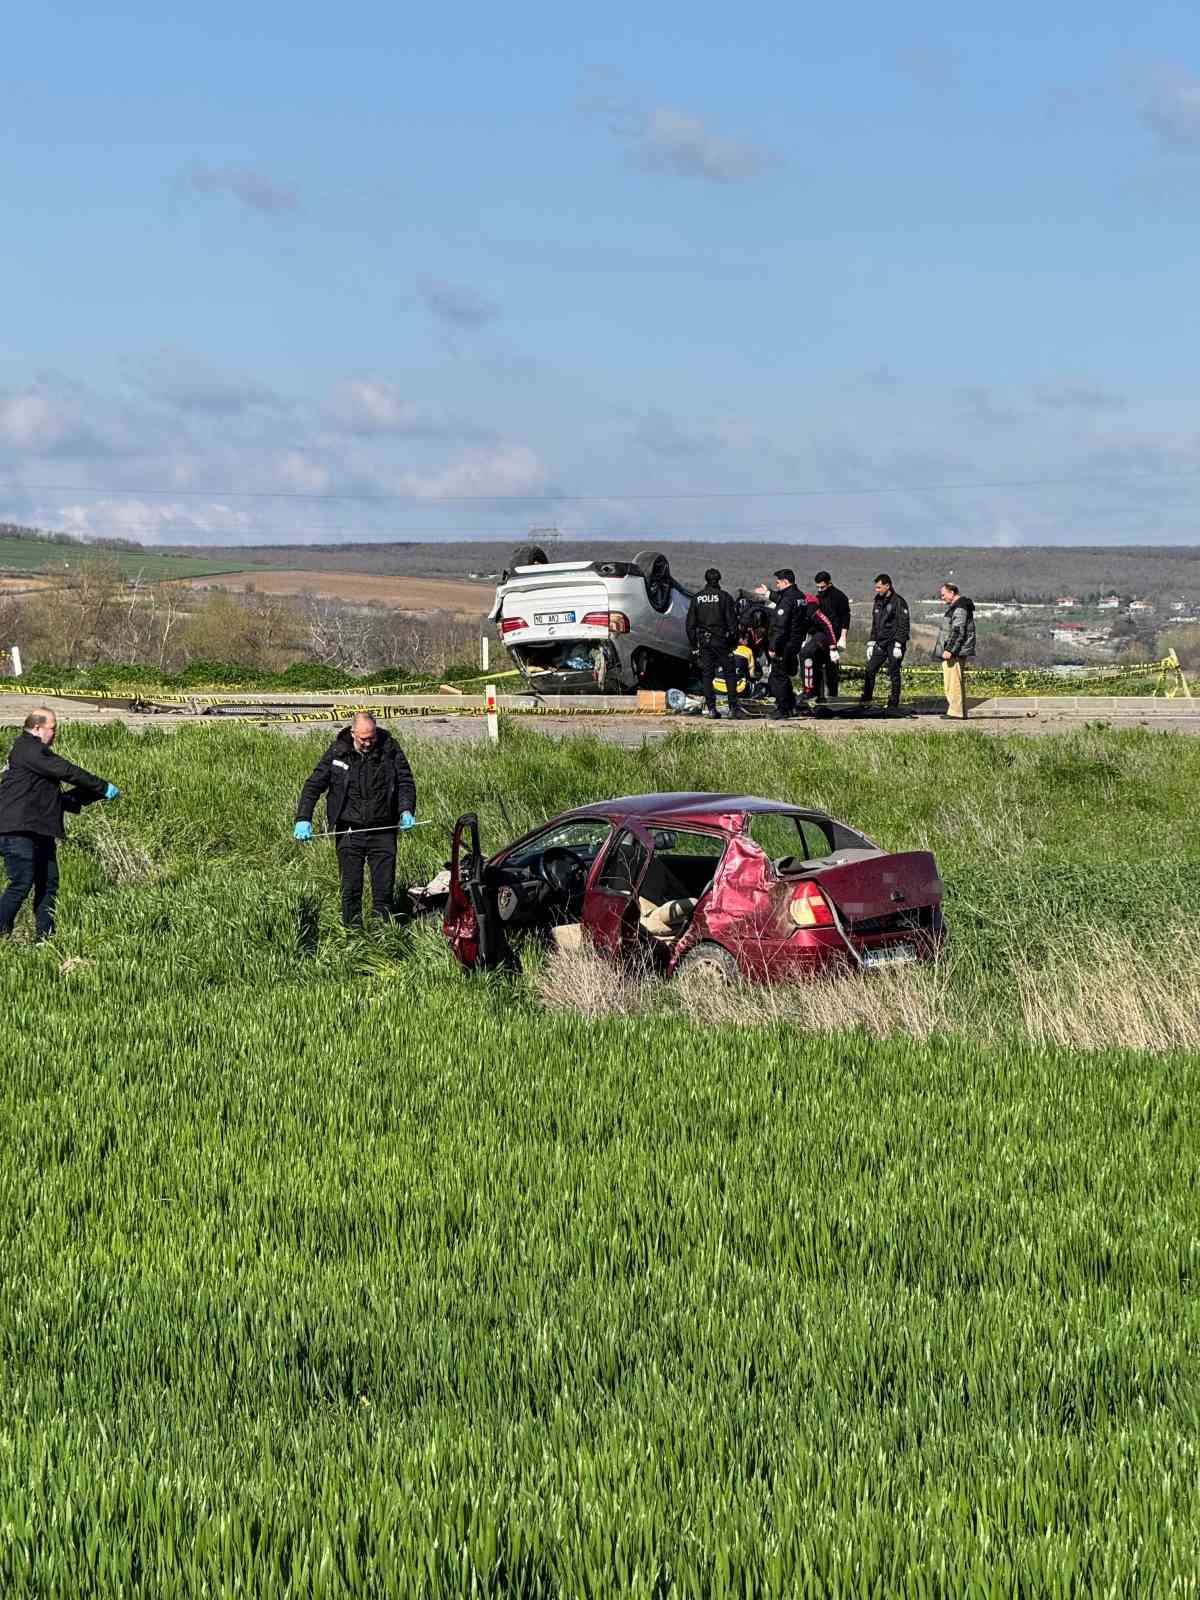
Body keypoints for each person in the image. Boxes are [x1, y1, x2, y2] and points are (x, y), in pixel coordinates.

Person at [0, 709, 119, 943]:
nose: (55, 733)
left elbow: (52, 798)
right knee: (22, 881)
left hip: (38, 829)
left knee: (48, 883)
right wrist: (102, 786)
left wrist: (93, 794)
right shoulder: (29, 749)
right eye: (52, 728)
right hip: (16, 830)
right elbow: (67, 771)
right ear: (37, 728)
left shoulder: (32, 755)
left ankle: (45, 939)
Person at [294, 713, 417, 926]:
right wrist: (303, 818)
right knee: (351, 889)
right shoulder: (338, 753)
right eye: (363, 739)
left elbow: (405, 781)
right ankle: (352, 935)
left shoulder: (390, 749)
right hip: (349, 831)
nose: (368, 743)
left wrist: (406, 809)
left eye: (371, 738)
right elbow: (313, 785)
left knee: (383, 891)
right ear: (353, 734)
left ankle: (383, 936)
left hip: (383, 830)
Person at [686, 568, 747, 720]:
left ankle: (712, 709)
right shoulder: (724, 597)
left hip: (704, 641)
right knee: (730, 673)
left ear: (706, 580)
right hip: (722, 641)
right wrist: (733, 642)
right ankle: (733, 708)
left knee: (707, 675)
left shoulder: (697, 598)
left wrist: (694, 645)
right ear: (719, 580)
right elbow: (733, 623)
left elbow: (690, 625)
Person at [858, 574, 911, 713]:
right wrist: (871, 641)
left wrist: (899, 643)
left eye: (879, 587)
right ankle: (866, 698)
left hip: (894, 643)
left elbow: (904, 624)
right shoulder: (878, 601)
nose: (877, 590)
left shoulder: (899, 602)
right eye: (876, 587)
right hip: (881, 643)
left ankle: (894, 702)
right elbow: (875, 623)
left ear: (887, 586)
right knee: (870, 669)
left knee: (893, 671)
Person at [933, 582, 976, 719]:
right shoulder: (959, 607)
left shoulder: (959, 608)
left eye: (943, 595)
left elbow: (958, 631)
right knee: (954, 681)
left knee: (953, 683)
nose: (942, 598)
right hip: (957, 650)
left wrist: (950, 649)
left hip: (955, 652)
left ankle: (956, 712)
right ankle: (958, 711)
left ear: (952, 593)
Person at [766, 569, 803, 719]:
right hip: (795, 641)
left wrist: (773, 646)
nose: (777, 585)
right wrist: (769, 593)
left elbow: (780, 626)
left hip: (784, 643)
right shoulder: (800, 597)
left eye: (778, 582)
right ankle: (791, 705)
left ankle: (782, 709)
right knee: (784, 675)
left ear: (786, 582)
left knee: (777, 676)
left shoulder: (787, 599)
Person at [793, 592, 839, 709]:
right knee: (816, 662)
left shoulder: (811, 608)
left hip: (825, 634)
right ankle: (820, 694)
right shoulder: (797, 609)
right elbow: (801, 627)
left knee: (806, 653)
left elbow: (827, 625)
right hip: (815, 634)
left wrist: (833, 647)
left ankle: (809, 690)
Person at [813, 571, 851, 700]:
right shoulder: (818, 596)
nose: (820, 589)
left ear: (829, 583)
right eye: (817, 587)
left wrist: (843, 637)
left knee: (831, 668)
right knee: (817, 665)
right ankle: (819, 695)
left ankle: (833, 695)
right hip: (821, 636)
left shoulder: (840, 597)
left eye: (822, 587)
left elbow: (845, 617)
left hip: (834, 636)